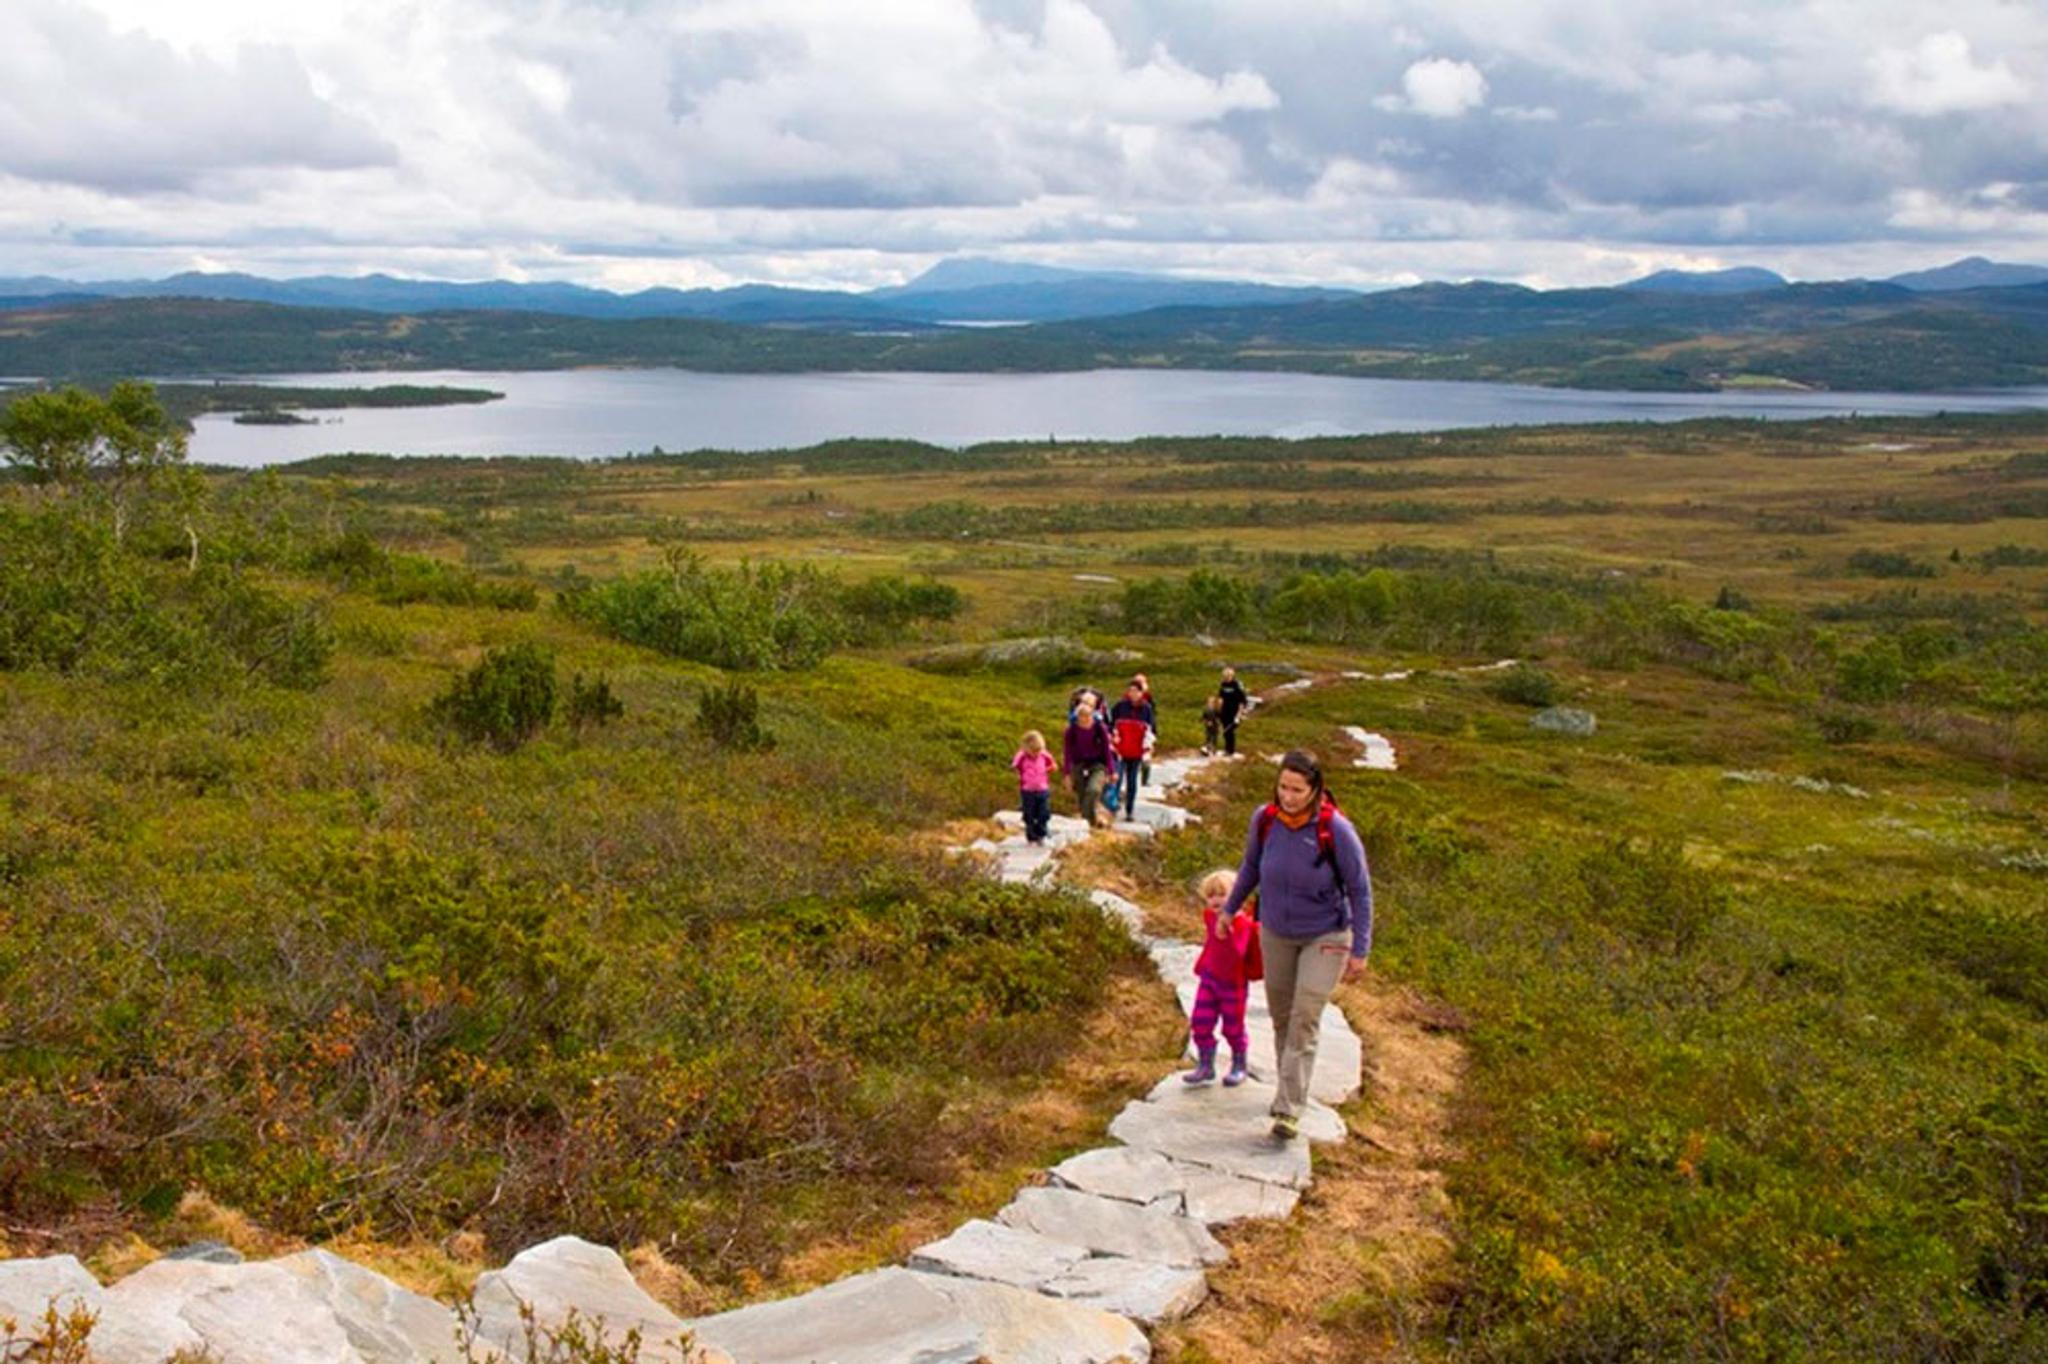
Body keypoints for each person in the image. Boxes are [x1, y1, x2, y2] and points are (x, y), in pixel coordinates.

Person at [1217, 749, 1372, 1140]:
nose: (1287, 796)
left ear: (1315, 789)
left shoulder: (1335, 829)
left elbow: (1360, 889)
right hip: (1275, 931)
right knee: (1282, 1016)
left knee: (1305, 1016)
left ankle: (1288, 1108)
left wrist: (1361, 949)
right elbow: (1251, 866)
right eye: (1283, 787)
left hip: (1327, 935)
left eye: (1297, 790)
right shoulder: (1265, 820)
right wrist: (1230, 910)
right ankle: (1289, 1088)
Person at [1184, 868, 1255, 1087]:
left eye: (1222, 894)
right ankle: (1206, 1065)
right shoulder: (1209, 917)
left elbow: (1238, 952)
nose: (1216, 900)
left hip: (1233, 984)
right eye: (1211, 895)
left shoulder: (1242, 924)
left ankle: (1239, 1064)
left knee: (1233, 1027)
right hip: (1210, 978)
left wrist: (1229, 928)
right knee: (1200, 1021)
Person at [1061, 698, 1115, 828]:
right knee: (1081, 793)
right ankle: (1091, 822)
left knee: (1093, 790)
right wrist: (1067, 774)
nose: (1084, 720)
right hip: (1079, 763)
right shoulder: (1071, 731)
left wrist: (1112, 771)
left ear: (1092, 716)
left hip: (1098, 764)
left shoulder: (1099, 729)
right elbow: (1067, 753)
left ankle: (1085, 821)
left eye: (1087, 716)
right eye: (1081, 717)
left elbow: (1106, 750)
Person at [1108, 681, 1155, 820]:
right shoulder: (1120, 706)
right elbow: (1110, 724)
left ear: (1141, 693)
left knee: (1132, 780)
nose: (1133, 693)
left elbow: (1151, 729)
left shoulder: (1146, 709)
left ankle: (1130, 810)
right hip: (1120, 750)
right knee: (1117, 778)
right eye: (1131, 690)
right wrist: (1113, 737)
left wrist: (1149, 747)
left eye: (1136, 691)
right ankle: (1113, 806)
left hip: (1136, 752)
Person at [1012, 730, 1056, 844]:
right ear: (1026, 748)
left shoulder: (1044, 755)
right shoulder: (1021, 756)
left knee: (1044, 812)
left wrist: (1046, 770)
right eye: (1033, 751)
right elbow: (1015, 767)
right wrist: (1020, 775)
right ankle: (1031, 835)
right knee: (1029, 814)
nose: (1036, 753)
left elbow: (1053, 765)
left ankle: (1041, 832)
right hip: (1027, 790)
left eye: (1039, 750)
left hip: (1042, 788)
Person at [1216, 667, 1249, 756]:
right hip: (1224, 711)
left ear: (1232, 675)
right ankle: (1227, 749)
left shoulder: (1237, 685)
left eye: (1228, 676)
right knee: (1225, 731)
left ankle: (1231, 750)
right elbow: (1220, 698)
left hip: (1234, 712)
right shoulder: (1223, 685)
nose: (1226, 678)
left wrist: (1238, 715)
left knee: (1230, 731)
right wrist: (1218, 710)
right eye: (1224, 676)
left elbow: (1242, 701)